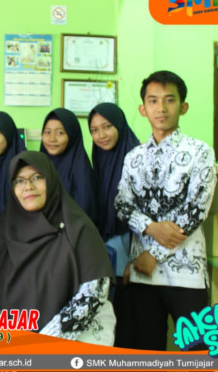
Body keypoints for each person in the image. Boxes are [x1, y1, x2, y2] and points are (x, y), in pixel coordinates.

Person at [115, 70, 217, 351]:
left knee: (197, 353)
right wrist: (150, 227)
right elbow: (122, 205)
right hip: (143, 275)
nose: (161, 108)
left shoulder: (200, 152)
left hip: (187, 274)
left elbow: (195, 211)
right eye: (153, 100)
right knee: (147, 352)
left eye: (169, 100)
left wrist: (153, 254)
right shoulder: (133, 157)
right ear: (143, 109)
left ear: (183, 106)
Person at [0, 151, 115, 345]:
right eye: (19, 181)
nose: (28, 186)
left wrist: (44, 342)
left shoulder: (78, 228)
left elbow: (93, 293)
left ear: (51, 180)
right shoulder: (5, 234)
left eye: (37, 177)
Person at [88, 102, 140, 348]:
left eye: (107, 127)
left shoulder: (137, 161)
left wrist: (134, 259)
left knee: (129, 323)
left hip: (131, 259)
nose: (101, 135)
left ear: (119, 125)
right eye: (94, 130)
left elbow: (146, 214)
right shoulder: (99, 162)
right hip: (107, 257)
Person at [40, 108, 98, 225]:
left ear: (72, 136)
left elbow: (83, 215)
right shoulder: (38, 166)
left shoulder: (82, 172)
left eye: (60, 133)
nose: (52, 139)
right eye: (47, 132)